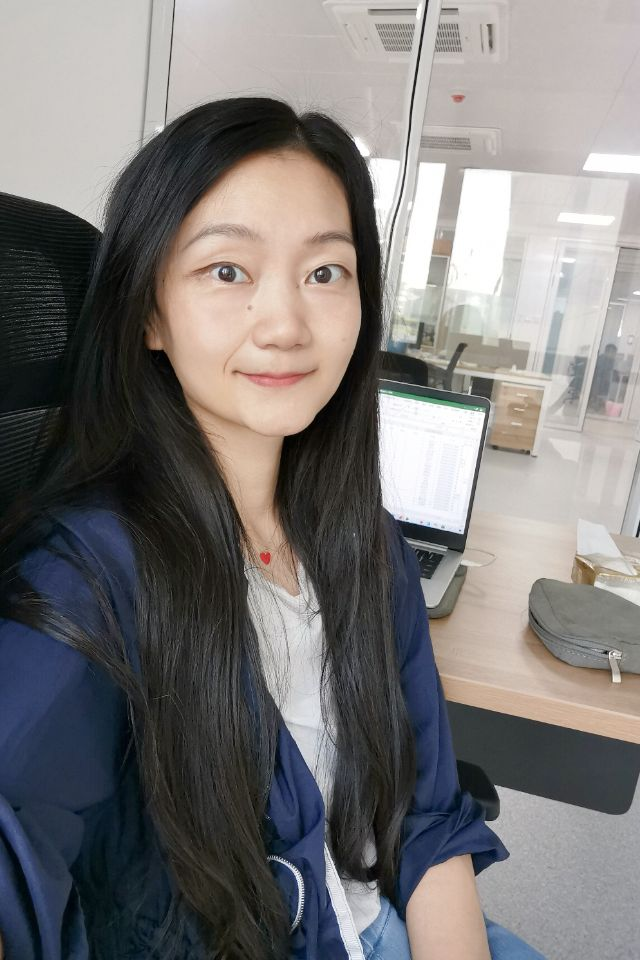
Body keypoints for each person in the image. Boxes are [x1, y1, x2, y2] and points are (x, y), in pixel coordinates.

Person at [0, 98, 546, 960]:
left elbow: (428, 816)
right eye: (228, 271)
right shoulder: (91, 580)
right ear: (148, 313)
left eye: (326, 273)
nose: (287, 324)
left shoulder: (369, 545)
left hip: (386, 921)